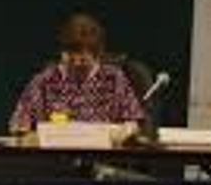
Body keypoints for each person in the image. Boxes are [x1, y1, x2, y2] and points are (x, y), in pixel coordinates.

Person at [9, 13, 144, 133]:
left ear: (97, 55)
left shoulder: (114, 78)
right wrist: (25, 130)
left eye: (83, 60)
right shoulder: (45, 80)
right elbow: (18, 122)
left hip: (101, 151)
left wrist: (124, 131)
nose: (76, 64)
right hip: (57, 151)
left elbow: (133, 123)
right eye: (70, 59)